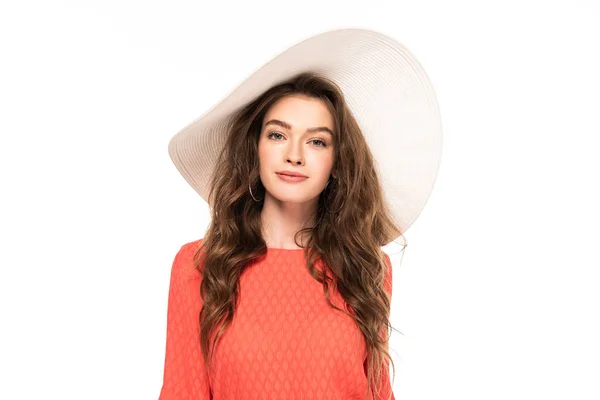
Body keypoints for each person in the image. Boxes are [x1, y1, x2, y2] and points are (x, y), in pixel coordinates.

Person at [158, 28, 442, 400]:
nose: (294, 154)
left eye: (317, 141)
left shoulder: (367, 268)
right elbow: (183, 392)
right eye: (277, 135)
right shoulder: (199, 264)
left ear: (337, 162)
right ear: (255, 149)